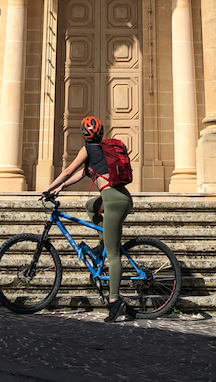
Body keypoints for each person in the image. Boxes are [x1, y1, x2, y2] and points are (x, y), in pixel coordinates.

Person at [42, 115, 135, 322]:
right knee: (91, 206)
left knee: (113, 255)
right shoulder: (100, 151)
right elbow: (81, 173)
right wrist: (60, 188)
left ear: (84, 135)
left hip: (113, 200)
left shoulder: (87, 150)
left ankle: (115, 302)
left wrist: (47, 188)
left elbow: (68, 170)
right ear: (100, 133)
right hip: (117, 198)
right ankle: (103, 243)